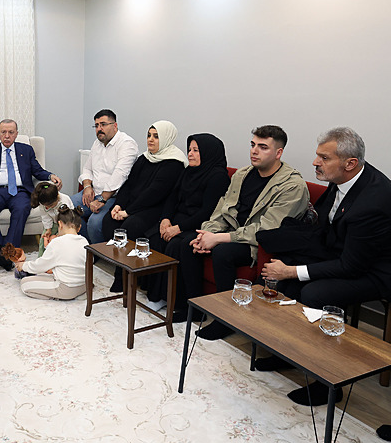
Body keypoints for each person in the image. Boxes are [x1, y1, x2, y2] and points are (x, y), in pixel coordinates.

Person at [255, 127, 391, 406]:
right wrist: (292, 268)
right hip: (341, 253)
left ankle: (328, 383)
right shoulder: (341, 177)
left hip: (375, 271)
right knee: (286, 281)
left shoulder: (373, 202)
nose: (315, 162)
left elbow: (352, 266)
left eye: (324, 158)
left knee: (315, 293)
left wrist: (292, 270)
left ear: (350, 163)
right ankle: (289, 354)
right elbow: (325, 227)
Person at [192, 125, 309, 341]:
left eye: (263, 147)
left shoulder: (293, 186)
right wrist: (206, 234)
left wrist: (219, 238)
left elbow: (267, 230)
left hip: (259, 244)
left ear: (278, 153)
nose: (254, 151)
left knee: (224, 252)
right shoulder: (243, 174)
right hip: (234, 233)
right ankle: (191, 307)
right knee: (190, 243)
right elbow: (222, 209)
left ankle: (226, 319)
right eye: (253, 145)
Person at [144, 133, 230, 318]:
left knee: (178, 245)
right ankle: (159, 295)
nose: (190, 154)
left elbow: (207, 212)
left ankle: (186, 305)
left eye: (196, 150)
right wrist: (165, 219)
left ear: (208, 153)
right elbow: (172, 197)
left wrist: (178, 228)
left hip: (201, 225)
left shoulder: (218, 176)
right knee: (155, 236)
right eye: (189, 149)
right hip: (179, 220)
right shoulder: (189, 171)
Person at [0, 119, 62, 270]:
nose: (7, 136)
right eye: (4, 132)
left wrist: (50, 176)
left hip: (20, 191)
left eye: (11, 132)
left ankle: (6, 252)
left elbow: (37, 170)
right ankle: (0, 248)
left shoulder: (26, 150)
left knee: (22, 209)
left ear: (16, 134)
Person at [101, 120, 186, 292]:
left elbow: (155, 192)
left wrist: (128, 212)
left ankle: (124, 277)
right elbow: (128, 185)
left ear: (166, 138)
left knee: (130, 226)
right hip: (134, 205)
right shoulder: (145, 158)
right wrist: (118, 205)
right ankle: (122, 267)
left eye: (156, 136)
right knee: (109, 220)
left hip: (155, 209)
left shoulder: (174, 163)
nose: (150, 140)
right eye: (149, 135)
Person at [72, 109, 139, 244]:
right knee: (67, 208)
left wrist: (102, 199)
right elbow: (87, 168)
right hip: (93, 191)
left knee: (94, 223)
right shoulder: (97, 143)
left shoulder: (127, 144)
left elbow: (119, 175)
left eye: (103, 124)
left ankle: (97, 252)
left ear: (115, 126)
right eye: (96, 125)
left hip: (113, 196)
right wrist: (87, 186)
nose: (99, 129)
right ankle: (85, 245)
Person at [14, 206, 89, 300]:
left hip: (66, 288)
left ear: (60, 224)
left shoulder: (57, 242)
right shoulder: (84, 241)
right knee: (47, 275)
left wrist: (23, 266)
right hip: (84, 286)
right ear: (79, 227)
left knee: (25, 284)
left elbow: (40, 265)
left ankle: (57, 296)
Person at [30, 181, 73, 257]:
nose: (48, 208)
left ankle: (59, 258)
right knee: (44, 239)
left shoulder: (64, 201)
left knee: (59, 241)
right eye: (46, 206)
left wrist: (59, 233)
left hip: (67, 223)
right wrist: (48, 229)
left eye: (51, 205)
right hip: (54, 223)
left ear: (57, 197)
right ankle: (41, 258)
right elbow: (45, 216)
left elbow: (68, 218)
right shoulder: (43, 203)